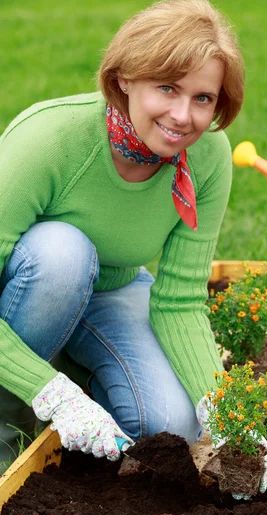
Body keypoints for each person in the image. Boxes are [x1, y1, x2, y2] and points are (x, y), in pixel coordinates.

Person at [0, 0, 245, 471]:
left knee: (170, 423)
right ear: (124, 79)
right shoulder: (48, 140)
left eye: (202, 98)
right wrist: (48, 394)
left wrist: (229, 416)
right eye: (167, 88)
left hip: (109, 292)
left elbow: (179, 301)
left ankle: (76, 376)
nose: (182, 116)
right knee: (62, 253)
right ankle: (11, 413)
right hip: (28, 292)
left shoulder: (208, 155)